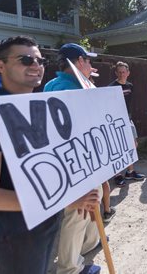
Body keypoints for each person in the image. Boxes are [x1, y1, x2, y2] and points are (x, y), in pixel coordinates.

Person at [0, 36, 99, 274]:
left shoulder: (40, 105)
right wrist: (65, 200)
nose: (36, 65)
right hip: (16, 232)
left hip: (44, 222)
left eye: (40, 60)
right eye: (25, 59)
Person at [44, 43, 103, 274]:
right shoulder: (76, 89)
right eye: (88, 61)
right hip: (79, 162)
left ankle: (87, 244)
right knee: (78, 212)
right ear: (79, 62)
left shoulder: (51, 84)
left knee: (88, 206)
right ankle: (69, 267)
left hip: (67, 160)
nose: (91, 65)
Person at [108, 61, 145, 189]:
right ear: (116, 73)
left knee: (133, 145)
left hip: (128, 120)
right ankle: (117, 175)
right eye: (119, 72)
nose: (122, 74)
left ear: (128, 73)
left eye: (124, 72)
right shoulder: (111, 87)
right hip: (115, 122)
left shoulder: (130, 85)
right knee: (117, 148)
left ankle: (130, 172)